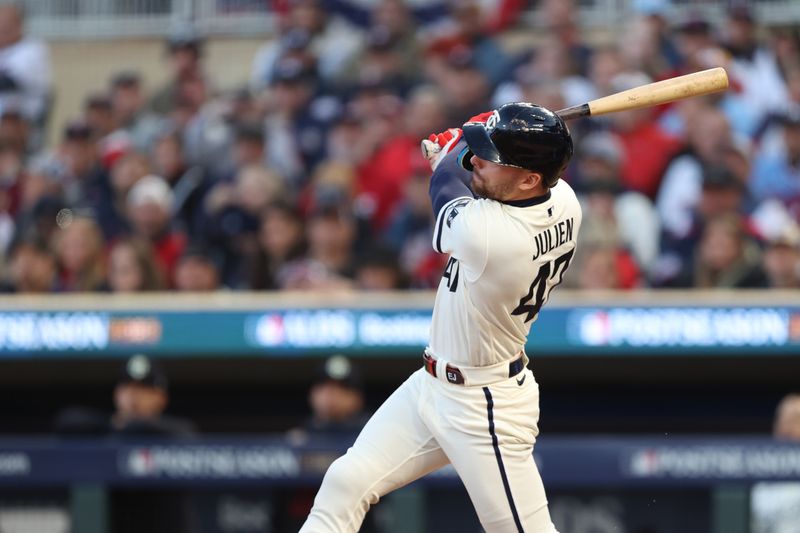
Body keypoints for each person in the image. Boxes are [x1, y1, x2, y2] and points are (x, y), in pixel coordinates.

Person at [300, 102, 580, 532]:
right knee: (346, 480)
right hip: (431, 386)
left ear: (529, 179)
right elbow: (476, 179)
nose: (480, 163)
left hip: (485, 403)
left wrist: (452, 153)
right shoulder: (563, 200)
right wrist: (475, 140)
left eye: (495, 159)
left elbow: (447, 186)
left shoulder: (489, 237)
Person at [111, 353, 195, 436]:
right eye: (127, 387)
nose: (133, 395)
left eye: (143, 388)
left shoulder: (178, 433)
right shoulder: (102, 431)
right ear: (116, 393)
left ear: (161, 398)